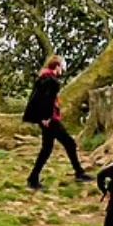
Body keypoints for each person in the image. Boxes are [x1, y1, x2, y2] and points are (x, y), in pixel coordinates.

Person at [22, 55, 92, 189]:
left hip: (45, 118)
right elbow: (46, 100)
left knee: (47, 149)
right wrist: (46, 117)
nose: (63, 69)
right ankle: (79, 173)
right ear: (57, 66)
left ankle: (33, 178)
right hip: (50, 119)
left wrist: (41, 118)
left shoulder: (43, 78)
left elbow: (36, 99)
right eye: (62, 66)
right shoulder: (52, 81)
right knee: (69, 143)